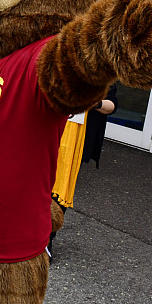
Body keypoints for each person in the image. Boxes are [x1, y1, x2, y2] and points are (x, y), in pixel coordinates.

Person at [48, 84, 118, 260]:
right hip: (47, 130)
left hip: (75, 139)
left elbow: (112, 105)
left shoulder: (103, 73)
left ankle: (46, 239)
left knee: (61, 189)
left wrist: (94, 103)